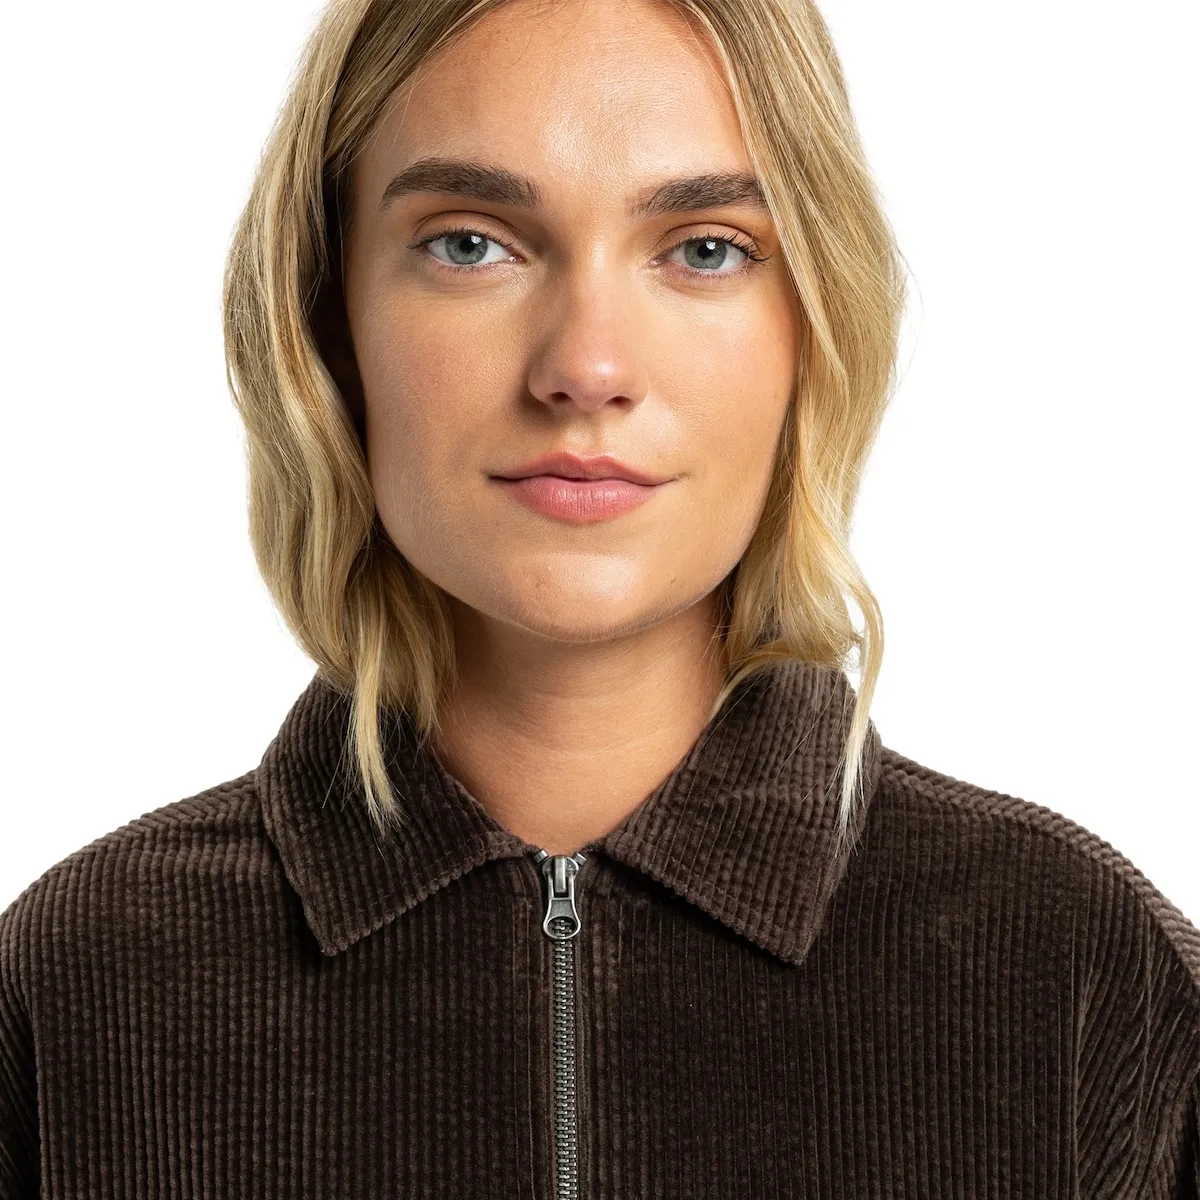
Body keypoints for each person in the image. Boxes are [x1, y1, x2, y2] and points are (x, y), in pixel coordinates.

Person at [2, 0, 1197, 1193]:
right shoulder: (76, 989)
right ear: (328, 315)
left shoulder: (1085, 972)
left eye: (706, 249)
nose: (586, 368)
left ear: (814, 322)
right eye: (469, 244)